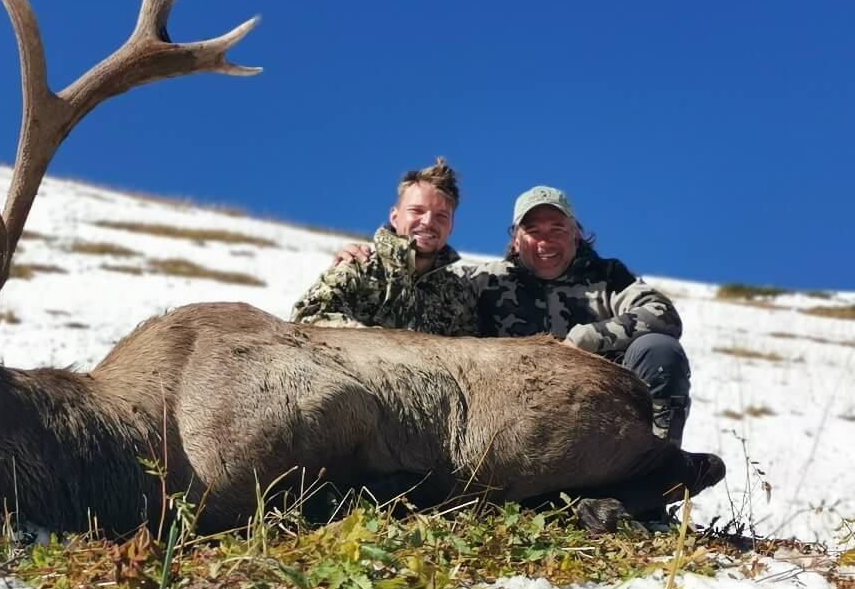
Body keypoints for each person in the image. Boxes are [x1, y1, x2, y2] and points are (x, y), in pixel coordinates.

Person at [327, 185, 691, 445]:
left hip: (605, 410)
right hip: (516, 419)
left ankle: (656, 478)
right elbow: (425, 284)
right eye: (532, 231)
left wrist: (583, 340)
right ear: (515, 239)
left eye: (557, 229)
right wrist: (368, 259)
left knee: (658, 350)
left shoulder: (609, 276)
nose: (545, 241)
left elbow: (662, 314)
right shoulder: (486, 280)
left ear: (577, 234)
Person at [290, 159, 476, 336]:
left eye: (441, 216)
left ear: (451, 227)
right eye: (416, 211)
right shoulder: (360, 267)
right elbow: (306, 318)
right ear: (395, 217)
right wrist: (379, 347)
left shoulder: (457, 296)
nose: (428, 222)